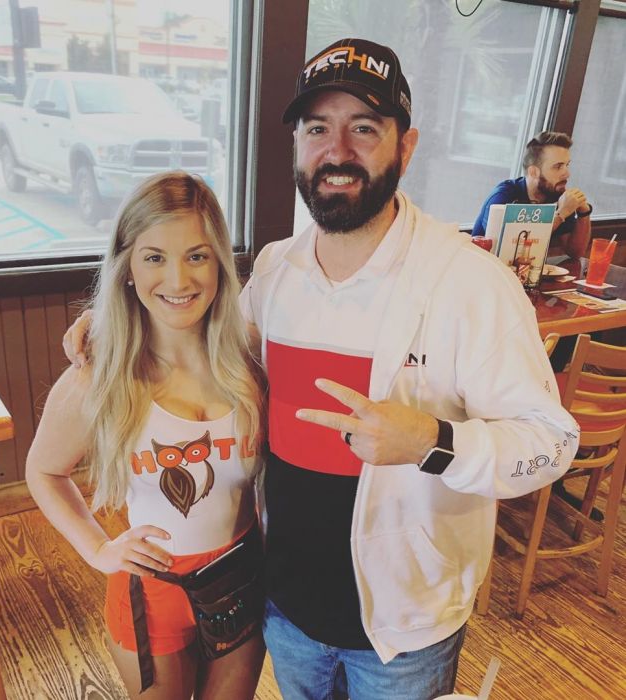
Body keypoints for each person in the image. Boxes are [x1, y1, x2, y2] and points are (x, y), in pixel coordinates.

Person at [65, 39, 579, 700]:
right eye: (317, 128)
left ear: (406, 146)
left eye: (364, 128)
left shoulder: (471, 284)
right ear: (298, 146)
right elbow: (203, 331)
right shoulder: (277, 269)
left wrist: (432, 441)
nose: (337, 151)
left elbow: (553, 442)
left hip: (402, 634)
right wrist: (117, 319)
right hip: (285, 613)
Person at [27, 171, 266, 700]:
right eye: (155, 257)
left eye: (197, 256)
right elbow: (43, 471)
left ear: (220, 263)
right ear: (128, 268)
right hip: (151, 590)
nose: (178, 280)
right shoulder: (99, 374)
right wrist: (96, 549)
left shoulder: (250, 356)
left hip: (241, 578)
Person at [472, 131, 592, 259]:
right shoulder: (504, 195)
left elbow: (575, 253)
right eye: (558, 167)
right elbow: (510, 249)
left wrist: (583, 213)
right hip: (483, 266)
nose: (567, 174)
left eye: (567, 165)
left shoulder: (557, 195)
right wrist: (561, 214)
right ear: (533, 172)